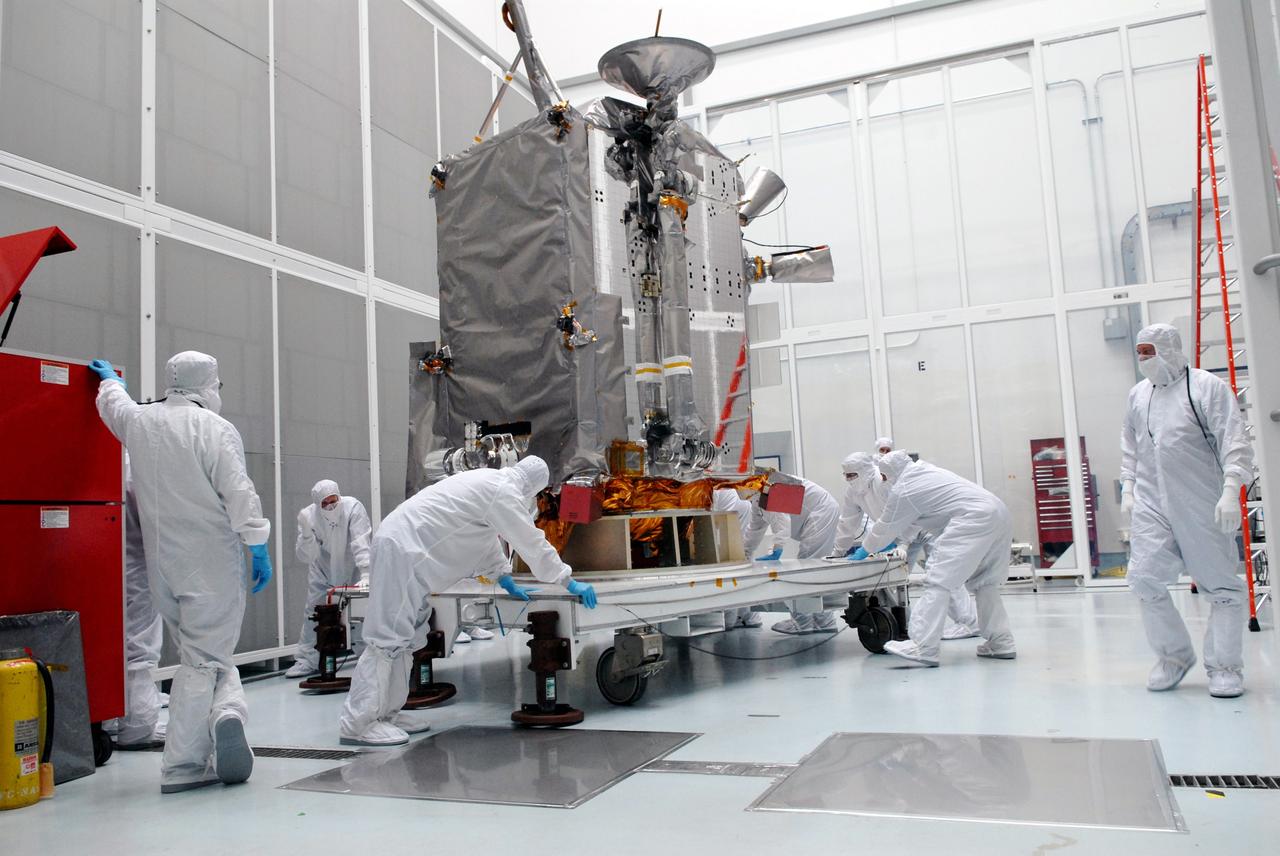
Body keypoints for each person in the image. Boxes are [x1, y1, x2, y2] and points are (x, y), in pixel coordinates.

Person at [90, 351, 271, 793]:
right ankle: (184, 765)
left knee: (201, 653)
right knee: (204, 660)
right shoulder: (214, 428)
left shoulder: (141, 421)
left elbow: (115, 407)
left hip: (162, 568)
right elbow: (238, 491)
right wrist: (257, 543)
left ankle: (226, 714)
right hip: (209, 566)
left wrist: (110, 382)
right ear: (208, 384)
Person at [338, 456, 597, 746]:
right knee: (386, 640)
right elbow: (530, 541)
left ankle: (386, 714)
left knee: (407, 640)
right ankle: (358, 723)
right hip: (404, 551)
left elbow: (481, 536)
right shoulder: (503, 491)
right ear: (534, 487)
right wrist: (566, 579)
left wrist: (502, 576)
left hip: (409, 552)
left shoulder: (489, 483)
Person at [1121, 323, 1254, 698]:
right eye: (1140, 352)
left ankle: (1225, 667)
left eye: (1150, 351)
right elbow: (1130, 445)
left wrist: (1231, 490)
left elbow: (1234, 440)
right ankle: (1174, 657)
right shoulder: (1138, 395)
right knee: (1144, 578)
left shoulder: (1205, 388)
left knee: (1221, 587)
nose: (1144, 359)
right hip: (1151, 500)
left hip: (1201, 500)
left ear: (1169, 349)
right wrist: (1128, 487)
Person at [858, 451, 1014, 667]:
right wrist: (898, 541)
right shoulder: (925, 471)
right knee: (985, 583)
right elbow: (912, 521)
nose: (883, 481)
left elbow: (885, 527)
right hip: (998, 512)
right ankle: (1001, 643)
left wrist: (863, 550)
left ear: (890, 472)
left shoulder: (904, 488)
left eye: (884, 477)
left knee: (937, 580)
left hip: (972, 518)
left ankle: (924, 647)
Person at [832, 452, 979, 640]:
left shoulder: (884, 481)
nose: (848, 479)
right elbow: (848, 522)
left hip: (926, 528)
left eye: (852, 475)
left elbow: (908, 511)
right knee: (892, 579)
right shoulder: (853, 492)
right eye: (845, 475)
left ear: (865, 470)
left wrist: (903, 542)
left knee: (941, 572)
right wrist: (838, 551)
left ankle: (968, 623)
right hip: (898, 535)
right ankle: (904, 626)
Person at [286, 480, 373, 679]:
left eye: (334, 501)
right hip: (322, 571)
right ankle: (307, 660)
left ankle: (367, 657)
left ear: (339, 496)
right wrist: (306, 535)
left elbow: (361, 541)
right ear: (317, 504)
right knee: (314, 613)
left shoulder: (353, 507)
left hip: (354, 567)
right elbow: (306, 556)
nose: (331, 506)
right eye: (325, 503)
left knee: (360, 612)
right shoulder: (309, 516)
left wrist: (366, 573)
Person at [743, 476, 840, 635]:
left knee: (807, 569)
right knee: (813, 571)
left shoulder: (768, 489)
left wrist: (776, 549)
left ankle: (802, 623)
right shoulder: (757, 499)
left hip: (820, 512)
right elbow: (754, 529)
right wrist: (744, 553)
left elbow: (782, 522)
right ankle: (824, 622)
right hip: (820, 511)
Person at [114, 454, 166, 750]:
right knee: (139, 645)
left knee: (113, 646)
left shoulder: (114, 462)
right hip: (138, 567)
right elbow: (158, 521)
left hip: (109, 565)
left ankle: (110, 719)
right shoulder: (137, 464)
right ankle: (137, 726)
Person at [713, 487, 762, 629]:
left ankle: (730, 619)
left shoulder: (718, 490)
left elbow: (720, 520)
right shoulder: (723, 489)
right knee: (744, 569)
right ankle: (749, 617)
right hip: (739, 519)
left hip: (734, 521)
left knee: (732, 570)